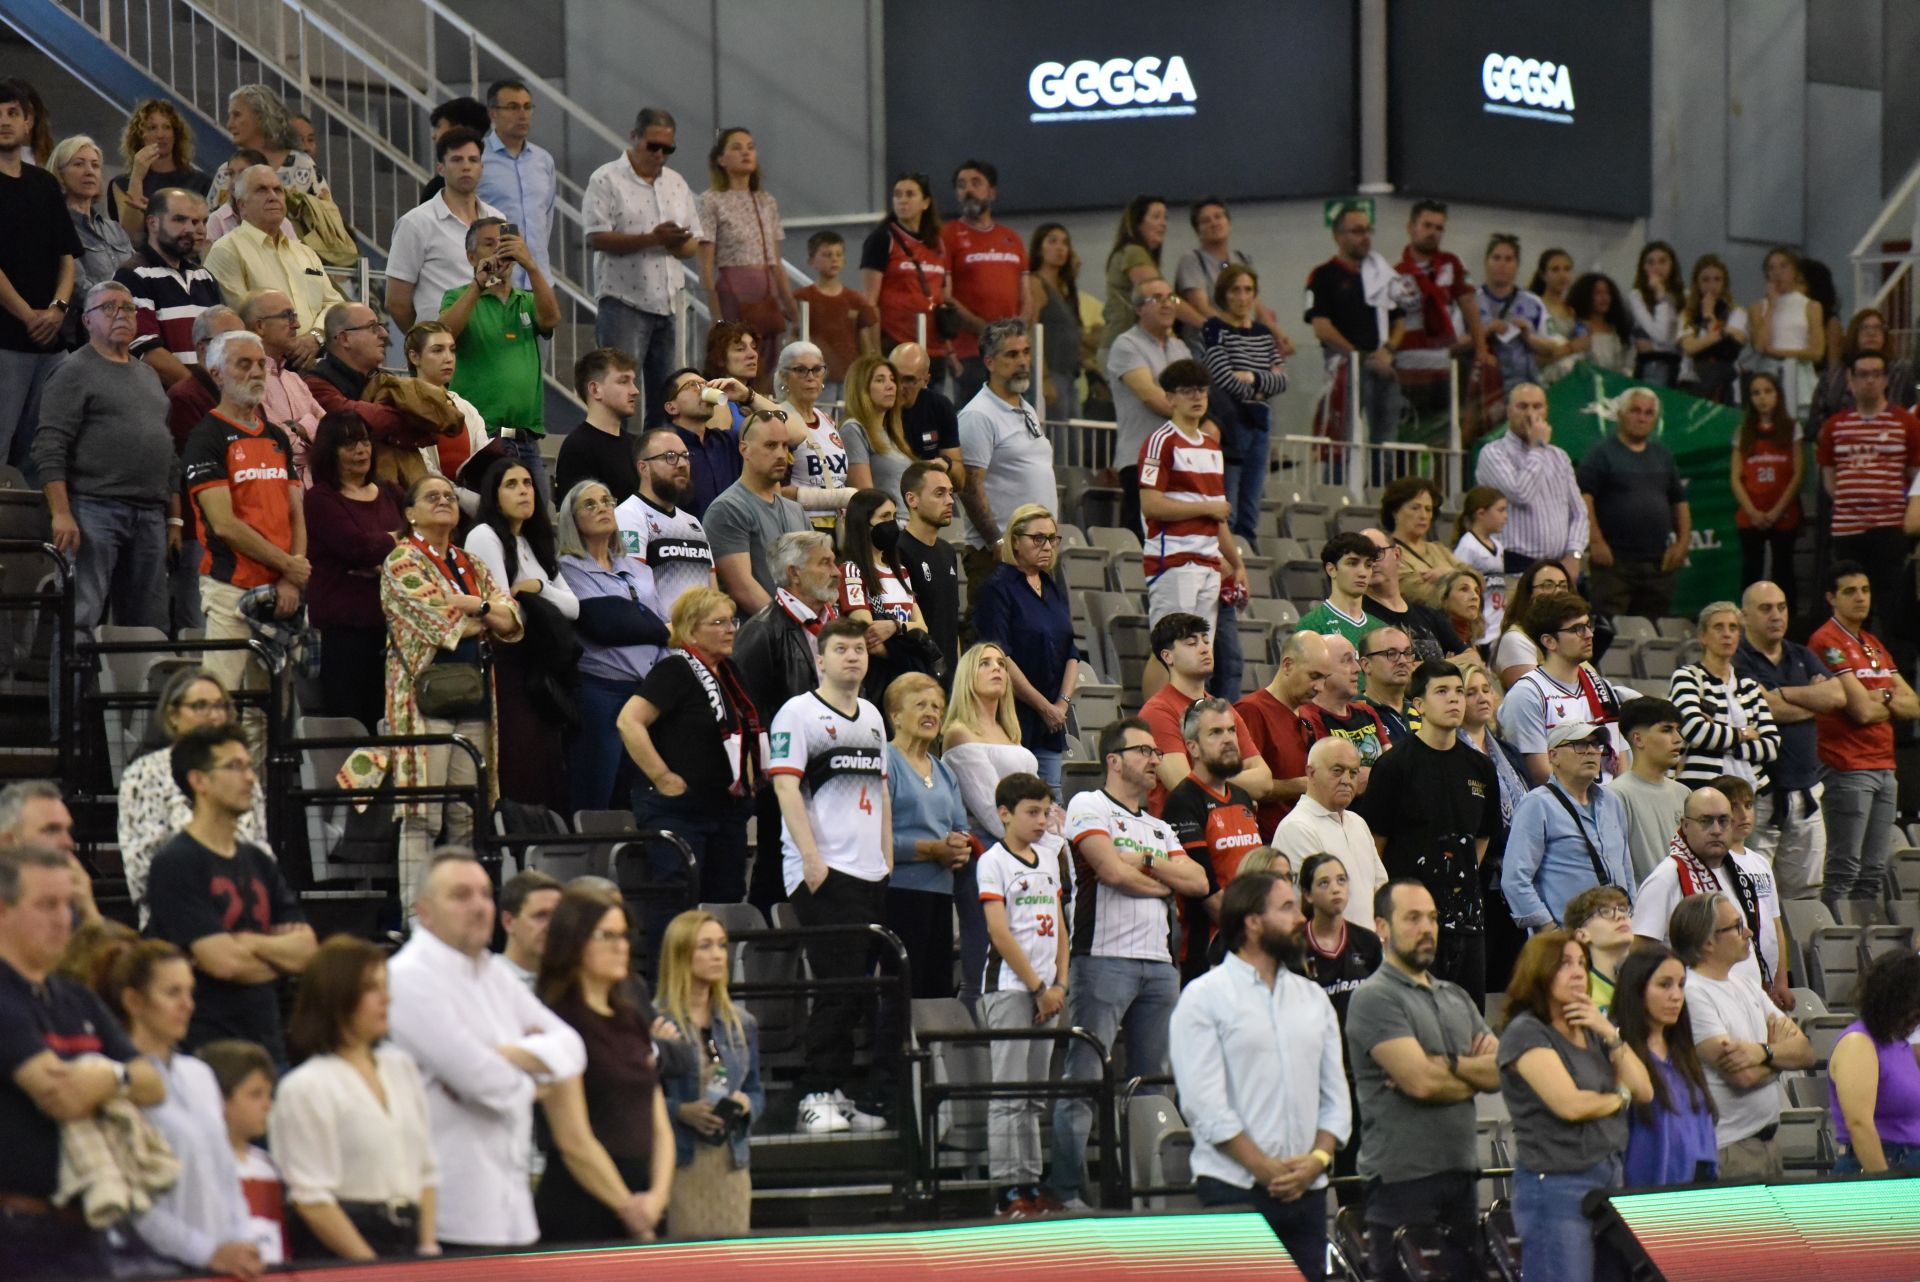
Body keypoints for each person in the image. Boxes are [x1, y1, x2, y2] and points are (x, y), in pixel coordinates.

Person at [386, 850, 585, 1250]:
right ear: (423, 911)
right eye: (460, 895)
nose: (478, 907)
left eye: (484, 894)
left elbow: (574, 1048)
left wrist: (503, 1054)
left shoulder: (494, 973)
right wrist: (533, 1075)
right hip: (449, 1215)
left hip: (514, 1213)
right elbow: (486, 1083)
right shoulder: (408, 979)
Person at [1051, 717, 1206, 1208]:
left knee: (1152, 1080)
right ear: (1113, 760)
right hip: (1103, 958)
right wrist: (1162, 876)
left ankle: (1148, 1189)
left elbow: (1200, 882)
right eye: (1144, 752)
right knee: (1085, 1076)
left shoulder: (1159, 827)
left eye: (1157, 753)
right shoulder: (1087, 804)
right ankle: (1065, 1190)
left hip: (1159, 965)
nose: (1154, 761)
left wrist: (1147, 864)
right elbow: (1111, 871)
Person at [1169, 871, 1348, 1279]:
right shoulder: (1203, 998)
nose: (1300, 918)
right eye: (1286, 908)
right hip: (1235, 1189)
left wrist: (1317, 1160)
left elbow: (1336, 1098)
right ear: (1252, 922)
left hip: (1307, 1191)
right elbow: (1203, 1104)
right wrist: (1263, 1167)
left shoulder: (1312, 998)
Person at [0, 842, 165, 1281]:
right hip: (18, 1235)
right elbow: (58, 1096)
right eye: (46, 905)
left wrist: (105, 1076)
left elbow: (154, 1082)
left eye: (68, 905)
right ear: (3, 911)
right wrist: (117, 1079)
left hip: (86, 1230)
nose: (62, 919)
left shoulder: (77, 997)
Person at [769, 619, 895, 1133]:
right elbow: (785, 789)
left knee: (861, 990)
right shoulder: (796, 713)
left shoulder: (871, 716)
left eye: (858, 650)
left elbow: (882, 792)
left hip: (870, 870)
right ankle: (813, 1094)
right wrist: (812, 859)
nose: (852, 657)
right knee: (837, 984)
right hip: (824, 870)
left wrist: (885, 858)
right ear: (820, 660)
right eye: (840, 649)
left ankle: (839, 1092)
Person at [1345, 879, 1496, 1281]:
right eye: (1412, 918)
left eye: (1432, 918)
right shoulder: (1374, 998)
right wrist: (1469, 1073)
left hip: (1461, 1179)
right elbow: (1420, 1083)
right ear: (1382, 927)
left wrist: (1443, 1064)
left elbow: (1501, 1072)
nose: (1428, 928)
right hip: (1402, 1183)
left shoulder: (1456, 997)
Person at [380, 475, 522, 903]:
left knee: (465, 814)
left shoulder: (470, 563)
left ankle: (462, 915)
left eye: (449, 496)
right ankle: (414, 918)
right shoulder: (401, 561)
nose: (444, 501)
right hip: (421, 701)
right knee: (423, 814)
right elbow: (441, 622)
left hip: (474, 699)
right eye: (432, 497)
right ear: (410, 514)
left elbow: (512, 618)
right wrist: (483, 615)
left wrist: (476, 606)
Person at [146, 724, 314, 1062]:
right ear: (199, 781)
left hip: (267, 1047)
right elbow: (222, 962)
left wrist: (249, 943)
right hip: (207, 1051)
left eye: (249, 766)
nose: (250, 778)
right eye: (235, 767)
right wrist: (278, 958)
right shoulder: (176, 863)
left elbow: (308, 951)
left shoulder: (257, 861)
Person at [100, 942, 262, 1280]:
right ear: (133, 1001)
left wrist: (242, 1241)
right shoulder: (114, 1079)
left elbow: (226, 1175)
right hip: (151, 1269)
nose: (187, 1005)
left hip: (222, 1266)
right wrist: (206, 1252)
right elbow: (131, 1202)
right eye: (173, 992)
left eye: (190, 992)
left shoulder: (199, 1074)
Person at [1497, 928, 1650, 1282]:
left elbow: (1644, 1089)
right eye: (1565, 964)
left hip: (1609, 1179)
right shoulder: (1526, 1032)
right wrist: (1618, 1097)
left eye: (1582, 963)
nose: (1579, 972)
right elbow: (1570, 1105)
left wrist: (1610, 1034)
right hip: (1557, 1187)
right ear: (1539, 971)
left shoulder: (1593, 1026)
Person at [272, 935, 438, 1260]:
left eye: (385, 986)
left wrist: (428, 1249)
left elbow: (426, 1170)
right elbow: (311, 1199)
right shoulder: (305, 1087)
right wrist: (370, 1267)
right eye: (372, 989)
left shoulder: (400, 1067)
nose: (386, 999)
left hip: (408, 1237)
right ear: (338, 997)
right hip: (341, 1247)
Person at [530, 888, 674, 1242]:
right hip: (582, 1205)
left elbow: (659, 1125)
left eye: (624, 936)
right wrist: (630, 1210)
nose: (621, 946)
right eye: (607, 936)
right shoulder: (556, 1022)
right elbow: (574, 1140)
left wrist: (656, 1198)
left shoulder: (629, 1017)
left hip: (644, 1199)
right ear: (574, 942)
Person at [33, 281, 179, 630]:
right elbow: (50, 445)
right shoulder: (73, 371)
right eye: (110, 307)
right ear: (86, 321)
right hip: (93, 508)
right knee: (80, 618)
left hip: (150, 513)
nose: (122, 315)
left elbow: (167, 449)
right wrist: (62, 514)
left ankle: (129, 688)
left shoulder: (147, 374)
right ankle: (74, 688)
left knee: (147, 625)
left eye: (129, 308)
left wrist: (175, 519)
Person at [1359, 661, 1500, 1002]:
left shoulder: (1480, 766)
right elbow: (1375, 846)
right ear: (1418, 705)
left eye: (1459, 692)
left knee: (1467, 1027)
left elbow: (1482, 836)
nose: (1454, 700)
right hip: (1410, 921)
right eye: (1442, 691)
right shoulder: (1394, 766)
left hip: (1468, 921)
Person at [618, 587, 761, 908]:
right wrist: (663, 777)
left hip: (726, 810)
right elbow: (629, 721)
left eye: (731, 621)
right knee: (676, 901)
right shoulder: (674, 670)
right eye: (718, 622)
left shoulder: (731, 672)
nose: (730, 629)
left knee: (725, 903)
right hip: (679, 811)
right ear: (690, 631)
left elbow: (743, 731)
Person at [977, 771, 1069, 1217]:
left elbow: (1060, 927)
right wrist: (1037, 986)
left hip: (1047, 993)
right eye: (1032, 813)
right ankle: (1006, 1188)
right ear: (1004, 814)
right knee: (1010, 1093)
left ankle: (1030, 1182)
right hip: (1011, 990)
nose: (1041, 821)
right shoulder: (993, 861)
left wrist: (1060, 984)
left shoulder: (1048, 860)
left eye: (1046, 812)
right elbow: (999, 932)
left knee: (1033, 1096)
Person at [1670, 891, 1812, 1180]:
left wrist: (1765, 1053)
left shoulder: (1746, 985)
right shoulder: (1693, 994)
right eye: (1736, 927)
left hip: (1768, 1144)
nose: (1748, 932)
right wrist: (1779, 1057)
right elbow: (1741, 1077)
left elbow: (1807, 1053)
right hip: (1729, 1151)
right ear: (1708, 942)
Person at [733, 531, 838, 915]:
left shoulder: (834, 626)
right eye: (824, 563)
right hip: (786, 772)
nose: (836, 571)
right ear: (794, 573)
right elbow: (745, 707)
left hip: (829, 766)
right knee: (776, 870)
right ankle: (767, 951)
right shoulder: (762, 630)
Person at [464, 458, 577, 812]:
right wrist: (528, 596)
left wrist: (536, 586)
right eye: (511, 484)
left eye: (527, 483)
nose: (524, 490)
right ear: (494, 497)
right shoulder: (483, 535)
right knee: (520, 760)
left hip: (538, 664)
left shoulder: (532, 541)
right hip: (506, 663)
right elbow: (505, 611)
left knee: (545, 761)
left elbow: (575, 607)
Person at [117, 668, 269, 927]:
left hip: (245, 917)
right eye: (200, 706)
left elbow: (260, 854)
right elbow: (142, 870)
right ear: (172, 715)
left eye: (221, 706)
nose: (214, 716)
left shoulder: (244, 776)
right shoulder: (142, 775)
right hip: (172, 921)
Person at [1809, 561, 1920, 909]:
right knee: (1845, 868)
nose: (1860, 598)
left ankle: (1863, 954)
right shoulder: (1826, 641)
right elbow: (1861, 711)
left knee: (1872, 872)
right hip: (1848, 767)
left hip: (1885, 767)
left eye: (1866, 590)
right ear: (1831, 597)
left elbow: (1914, 705)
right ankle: (1835, 948)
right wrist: (1889, 697)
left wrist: (1880, 696)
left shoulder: (1873, 644)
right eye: (1850, 591)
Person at [585, 106, 701, 428]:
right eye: (654, 146)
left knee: (669, 400)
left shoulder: (676, 183)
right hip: (623, 300)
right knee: (617, 393)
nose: (661, 155)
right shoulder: (606, 178)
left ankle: (659, 462)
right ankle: (616, 463)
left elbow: (695, 242)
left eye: (669, 149)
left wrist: (677, 243)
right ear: (634, 137)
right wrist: (652, 239)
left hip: (668, 301)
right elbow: (597, 237)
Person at [557, 479, 669, 812]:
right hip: (601, 691)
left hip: (648, 689)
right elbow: (605, 625)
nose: (603, 507)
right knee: (596, 789)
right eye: (589, 504)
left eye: (607, 500)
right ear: (572, 520)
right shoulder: (566, 568)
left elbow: (662, 626)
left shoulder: (637, 569)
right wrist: (658, 629)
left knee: (635, 791)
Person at [940, 642, 1040, 1007]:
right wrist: (1034, 845)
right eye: (985, 663)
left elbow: (1037, 801)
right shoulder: (959, 732)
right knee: (982, 955)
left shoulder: (1009, 733)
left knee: (1018, 956)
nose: (997, 668)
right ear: (968, 676)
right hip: (984, 851)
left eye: (1001, 662)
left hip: (1022, 851)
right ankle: (970, 1042)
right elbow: (988, 805)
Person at [655, 909, 764, 1237]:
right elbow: (634, 1101)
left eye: (722, 945)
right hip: (679, 1163)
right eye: (705, 946)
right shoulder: (659, 1023)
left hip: (730, 1163)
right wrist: (681, 1111)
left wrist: (747, 1106)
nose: (718, 955)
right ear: (680, 954)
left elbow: (756, 1090)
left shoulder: (741, 1023)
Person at [1633, 784, 1787, 1005]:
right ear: (1685, 826)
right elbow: (1640, 957)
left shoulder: (1737, 873)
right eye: (1706, 821)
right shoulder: (1665, 878)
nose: (1716, 829)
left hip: (1749, 1004)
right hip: (1694, 1009)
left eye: (1723, 820)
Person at [441, 215, 561, 497]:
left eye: (504, 242)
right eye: (489, 244)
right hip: (483, 439)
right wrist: (478, 285)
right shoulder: (457, 297)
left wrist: (531, 264)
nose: (499, 249)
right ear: (472, 256)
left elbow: (552, 318)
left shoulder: (527, 300)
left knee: (537, 525)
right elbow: (445, 333)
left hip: (526, 439)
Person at [1735, 580, 1839, 902]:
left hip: (1806, 790)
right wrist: (1812, 702)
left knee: (1806, 894)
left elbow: (1836, 697)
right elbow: (1762, 709)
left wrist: (1783, 695)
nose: (1776, 615)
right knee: (1755, 894)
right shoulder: (1737, 660)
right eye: (1766, 608)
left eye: (1781, 607)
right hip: (1761, 792)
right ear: (1744, 616)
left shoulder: (1801, 654)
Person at [302, 411, 400, 732]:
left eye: (364, 440)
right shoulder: (320, 499)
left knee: (389, 727)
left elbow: (423, 541)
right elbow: (356, 547)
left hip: (393, 633)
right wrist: (398, 540)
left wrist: (382, 560)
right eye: (348, 443)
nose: (361, 449)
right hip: (343, 636)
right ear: (330, 451)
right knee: (352, 730)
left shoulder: (391, 493)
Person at [0, 80, 79, 478]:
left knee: (44, 450)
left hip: (51, 342)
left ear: (29, 122)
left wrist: (57, 309)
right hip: (5, 337)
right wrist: (28, 316)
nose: (3, 121)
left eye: (13, 113)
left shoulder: (45, 184)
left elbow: (67, 258)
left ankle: (36, 536)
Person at [972, 504, 1077, 792]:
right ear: (1015, 541)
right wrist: (1044, 706)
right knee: (1015, 798)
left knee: (1051, 801)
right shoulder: (997, 587)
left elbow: (1072, 651)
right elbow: (999, 656)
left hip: (1051, 723)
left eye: (1052, 538)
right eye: (1038, 538)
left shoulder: (1051, 586)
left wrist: (1061, 704)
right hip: (1011, 717)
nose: (1047, 546)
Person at [1161, 698, 1266, 982]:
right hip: (1209, 949)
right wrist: (1253, 940)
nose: (1229, 739)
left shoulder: (1242, 797)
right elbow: (1206, 890)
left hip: (1252, 941)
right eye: (1216, 733)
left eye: (1231, 730)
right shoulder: (1184, 801)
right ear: (1192, 747)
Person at [1140, 358, 1246, 638]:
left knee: (1198, 657)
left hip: (1208, 562)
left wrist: (1236, 564)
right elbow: (1151, 505)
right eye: (1188, 390)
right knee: (1170, 650)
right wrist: (1207, 507)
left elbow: (1218, 517)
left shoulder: (1212, 447)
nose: (1197, 396)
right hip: (1173, 561)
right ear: (1170, 398)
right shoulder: (1161, 441)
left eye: (1201, 389)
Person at [881, 673, 972, 1000]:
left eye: (937, 706)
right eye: (920, 705)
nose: (932, 712)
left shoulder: (944, 770)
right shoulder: (885, 762)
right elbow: (875, 840)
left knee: (936, 992)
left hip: (940, 894)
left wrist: (960, 848)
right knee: (903, 994)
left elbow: (961, 827)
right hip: (898, 895)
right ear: (895, 716)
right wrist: (933, 849)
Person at [1819, 349, 1920, 638]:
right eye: (1863, 374)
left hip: (1889, 529)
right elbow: (1829, 479)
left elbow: (1915, 478)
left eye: (1876, 374)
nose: (1869, 381)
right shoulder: (1835, 426)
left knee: (1893, 609)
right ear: (1851, 379)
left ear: (1886, 379)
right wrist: (1853, 504)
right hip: (1848, 530)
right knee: (1848, 607)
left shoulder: (1906, 422)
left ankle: (1894, 675)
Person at [1503, 720, 1634, 935]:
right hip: (1566, 937)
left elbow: (1626, 869)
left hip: (1612, 933)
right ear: (1553, 756)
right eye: (1580, 745)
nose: (1591, 752)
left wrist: (1630, 917)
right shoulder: (1537, 803)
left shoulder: (1612, 802)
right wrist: (1550, 929)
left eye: (1596, 745)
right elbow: (1515, 878)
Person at [1608, 944, 1719, 1186]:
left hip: (1696, 1195)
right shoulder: (1618, 1053)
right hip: (1641, 1198)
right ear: (1637, 989)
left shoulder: (1684, 1055)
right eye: (1664, 985)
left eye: (1681, 985)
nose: (1676, 996)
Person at [957, 320, 1055, 592]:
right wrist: (997, 543)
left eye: (1026, 352)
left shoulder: (1026, 409)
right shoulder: (978, 415)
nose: (1023, 361)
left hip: (1034, 551)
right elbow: (969, 487)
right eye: (1012, 355)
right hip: (1000, 556)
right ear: (989, 362)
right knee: (995, 635)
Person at [1141, 611, 1272, 814]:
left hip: (1229, 828)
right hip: (1181, 833)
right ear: (1168, 656)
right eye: (1192, 643)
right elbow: (1182, 786)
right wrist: (1238, 789)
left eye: (1205, 640)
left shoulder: (1222, 709)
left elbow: (1264, 780)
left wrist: (1209, 781)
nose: (1204, 649)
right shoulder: (1158, 711)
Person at [1578, 386, 1691, 619]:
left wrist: (1683, 542)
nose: (1642, 417)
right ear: (1620, 414)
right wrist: (1596, 542)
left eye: (1648, 413)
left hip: (1658, 564)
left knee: (1653, 637)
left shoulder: (1663, 456)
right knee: (1609, 634)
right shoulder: (1601, 454)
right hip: (1614, 565)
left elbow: (1679, 501)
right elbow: (1583, 499)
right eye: (1635, 411)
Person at [202, 166, 345, 344]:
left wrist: (315, 337)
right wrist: (294, 346)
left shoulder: (305, 252)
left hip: (316, 354)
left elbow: (334, 304)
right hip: (264, 361)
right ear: (242, 205)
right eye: (261, 190)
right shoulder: (227, 250)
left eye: (278, 190)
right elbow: (243, 319)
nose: (273, 196)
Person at [1498, 592, 1627, 785]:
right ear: (1549, 641)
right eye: (1577, 629)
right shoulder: (1527, 694)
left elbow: (1620, 759)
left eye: (1588, 625)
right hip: (1558, 808)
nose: (1589, 635)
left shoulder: (1601, 687)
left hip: (1608, 805)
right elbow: (1539, 773)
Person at [1304, 202, 1405, 443]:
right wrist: (1359, 356)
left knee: (1387, 440)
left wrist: (1388, 350)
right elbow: (1321, 327)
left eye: (1368, 230)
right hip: (1345, 366)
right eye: (1357, 231)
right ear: (1338, 236)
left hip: (1384, 366)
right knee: (1342, 439)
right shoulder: (1323, 275)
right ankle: (1338, 480)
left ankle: (1383, 481)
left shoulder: (1383, 275)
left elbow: (1399, 321)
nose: (1365, 237)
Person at [1393, 201, 1491, 446]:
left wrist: (1481, 349)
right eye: (1427, 225)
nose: (1433, 232)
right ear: (1411, 227)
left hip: (1443, 371)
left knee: (1445, 440)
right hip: (1407, 373)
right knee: (1409, 440)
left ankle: (1442, 485)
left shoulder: (1452, 265)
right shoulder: (1394, 273)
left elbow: (1470, 308)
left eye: (1439, 227)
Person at [1200, 264, 1287, 536]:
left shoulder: (1263, 333)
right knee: (1230, 502)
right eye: (1235, 290)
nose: (1242, 297)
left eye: (1248, 290)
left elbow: (1283, 380)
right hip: (1231, 422)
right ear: (1224, 294)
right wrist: (1262, 385)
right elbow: (1222, 377)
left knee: (1251, 505)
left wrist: (1251, 377)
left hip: (1261, 421)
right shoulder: (1214, 328)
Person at [384, 129, 501, 330]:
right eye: (456, 160)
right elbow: (396, 302)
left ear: (482, 167)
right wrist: (426, 343)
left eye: (473, 160)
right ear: (441, 168)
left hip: (490, 336)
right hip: (440, 343)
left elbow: (502, 282)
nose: (466, 167)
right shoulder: (416, 222)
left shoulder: (498, 219)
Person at [1272, 739, 1387, 934]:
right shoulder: (1297, 828)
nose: (1346, 780)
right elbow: (1313, 905)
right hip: (1330, 951)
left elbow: (1381, 888)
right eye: (1337, 770)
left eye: (1353, 773)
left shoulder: (1357, 822)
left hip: (1369, 949)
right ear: (1311, 773)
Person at [1474, 382, 1588, 577]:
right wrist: (1538, 448)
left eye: (1537, 407)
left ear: (1547, 411)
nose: (1530, 414)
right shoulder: (1493, 453)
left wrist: (1574, 554)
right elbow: (1520, 494)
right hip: (1513, 565)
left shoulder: (1559, 456)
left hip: (1558, 565)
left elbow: (1579, 512)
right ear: (1508, 411)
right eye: (1522, 406)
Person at [939, 159, 1027, 405]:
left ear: (992, 192)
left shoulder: (1012, 238)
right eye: (961, 185)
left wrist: (1015, 334)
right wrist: (987, 332)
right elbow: (944, 296)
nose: (968, 190)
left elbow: (1027, 296)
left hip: (1011, 352)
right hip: (971, 352)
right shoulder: (947, 236)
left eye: (976, 183)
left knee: (1013, 423)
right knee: (973, 424)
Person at [706, 409, 810, 613]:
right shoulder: (728, 508)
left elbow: (811, 576)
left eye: (784, 445)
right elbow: (743, 590)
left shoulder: (796, 510)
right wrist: (792, 628)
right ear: (744, 449)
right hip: (759, 635)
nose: (781, 454)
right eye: (770, 445)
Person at [114, 186, 218, 389]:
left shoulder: (203, 277)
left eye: (199, 221)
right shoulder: (133, 275)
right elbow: (146, 351)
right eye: (180, 220)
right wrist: (199, 394)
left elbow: (222, 342)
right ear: (153, 222)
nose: (193, 229)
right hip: (163, 402)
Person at [1827, 950, 1920, 1174]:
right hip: (1879, 1165)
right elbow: (1859, 1124)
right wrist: (1885, 1186)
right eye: (1916, 1014)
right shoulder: (1858, 1043)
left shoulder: (1898, 1044)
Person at [1669, 601, 1781, 787]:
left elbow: (1771, 746)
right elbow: (1694, 731)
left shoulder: (1749, 686)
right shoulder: (1688, 676)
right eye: (1718, 627)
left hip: (1749, 790)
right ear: (1703, 636)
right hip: (1701, 787)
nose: (1727, 634)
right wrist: (1743, 733)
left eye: (1733, 628)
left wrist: (1718, 743)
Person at [1105, 278, 1185, 536]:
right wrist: (1193, 412)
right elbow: (1154, 398)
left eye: (1171, 298)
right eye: (1157, 298)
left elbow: (1196, 397)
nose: (1167, 304)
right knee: (1144, 542)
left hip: (1178, 460)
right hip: (1142, 459)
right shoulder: (1126, 345)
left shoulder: (1181, 348)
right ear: (1139, 308)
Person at [195, 1039, 284, 1267]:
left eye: (268, 1094)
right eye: (255, 1095)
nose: (268, 1105)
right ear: (219, 1100)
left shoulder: (267, 1165)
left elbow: (278, 1240)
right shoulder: (199, 1165)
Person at [836, 488, 932, 698]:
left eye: (894, 516)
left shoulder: (901, 572)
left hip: (909, 680)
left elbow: (922, 627)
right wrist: (911, 652)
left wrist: (894, 626)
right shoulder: (852, 570)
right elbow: (869, 636)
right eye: (884, 517)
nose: (892, 524)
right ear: (864, 524)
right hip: (877, 683)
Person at [615, 424, 717, 616]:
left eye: (685, 456)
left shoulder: (693, 523)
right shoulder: (628, 516)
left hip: (701, 640)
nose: (682, 464)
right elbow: (632, 593)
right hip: (661, 639)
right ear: (644, 468)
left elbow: (712, 590)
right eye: (670, 457)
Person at [1235, 629, 1329, 835]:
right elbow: (1241, 786)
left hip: (1313, 833)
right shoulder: (1251, 711)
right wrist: (1300, 786)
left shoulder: (1309, 714)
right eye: (1314, 676)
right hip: (1272, 839)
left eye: (1324, 678)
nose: (1320, 687)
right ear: (1287, 665)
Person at [50, 136, 134, 349]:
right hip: (83, 340)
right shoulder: (55, 226)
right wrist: (125, 307)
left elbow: (139, 276)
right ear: (59, 175)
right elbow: (79, 289)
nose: (89, 171)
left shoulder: (114, 228)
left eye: (95, 165)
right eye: (78, 164)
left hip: (128, 331)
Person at [1729, 371, 1803, 608]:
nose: (1762, 398)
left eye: (1768, 391)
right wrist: (1752, 511)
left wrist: (1776, 510)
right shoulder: (1743, 432)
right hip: (1751, 514)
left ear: (1778, 395)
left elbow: (1798, 473)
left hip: (1784, 513)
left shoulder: (1792, 429)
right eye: (1756, 393)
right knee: (1751, 570)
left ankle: (1787, 625)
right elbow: (1736, 477)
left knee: (1784, 570)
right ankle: (1747, 622)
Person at [1360, 532, 1479, 676]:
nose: (1370, 562)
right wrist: (1451, 664)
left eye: (1377, 553)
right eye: (1362, 557)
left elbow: (1473, 659)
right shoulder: (1358, 618)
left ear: (1397, 555)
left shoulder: (1429, 614)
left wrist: (1424, 667)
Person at [397, 320, 490, 506]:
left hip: (470, 504)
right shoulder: (406, 405)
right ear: (414, 357)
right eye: (437, 350)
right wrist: (462, 499)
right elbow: (423, 468)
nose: (448, 358)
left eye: (452, 350)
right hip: (430, 503)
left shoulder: (466, 407)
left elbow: (484, 458)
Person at [205, 85, 329, 223]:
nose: (229, 124)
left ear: (261, 117)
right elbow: (207, 227)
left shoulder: (301, 165)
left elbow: (328, 223)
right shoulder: (225, 173)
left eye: (237, 115)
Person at [861, 172, 950, 359]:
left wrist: (950, 349)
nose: (902, 200)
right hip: (896, 344)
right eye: (897, 195)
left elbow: (941, 297)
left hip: (934, 347)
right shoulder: (882, 239)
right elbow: (870, 301)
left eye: (910, 194)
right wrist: (875, 352)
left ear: (925, 203)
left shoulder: (937, 244)